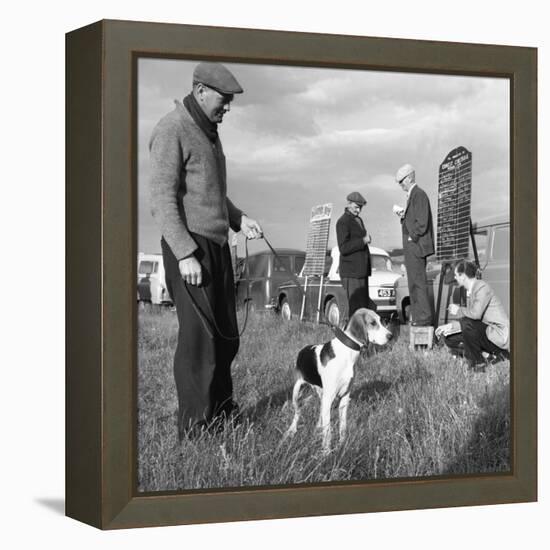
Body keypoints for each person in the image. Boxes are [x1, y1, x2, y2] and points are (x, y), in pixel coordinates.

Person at [148, 62, 263, 439]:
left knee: (227, 336)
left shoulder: (210, 132)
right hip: (190, 247)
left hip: (216, 245)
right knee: (199, 341)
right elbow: (162, 198)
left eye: (229, 101)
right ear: (200, 91)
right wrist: (183, 253)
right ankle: (195, 429)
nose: (227, 107)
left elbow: (211, 193)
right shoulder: (172, 128)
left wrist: (238, 219)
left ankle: (221, 412)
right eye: (223, 99)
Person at [436, 260, 510, 372]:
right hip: (486, 332)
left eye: (456, 275)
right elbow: (469, 318)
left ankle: (478, 364)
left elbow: (475, 315)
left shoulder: (482, 287)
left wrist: (458, 310)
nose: (455, 278)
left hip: (498, 336)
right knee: (450, 339)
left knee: (467, 325)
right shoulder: (472, 290)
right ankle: (488, 356)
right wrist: (449, 327)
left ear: (463, 276)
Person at [393, 163, 434, 326]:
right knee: (413, 285)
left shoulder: (419, 194)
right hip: (413, 248)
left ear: (409, 178)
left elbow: (422, 223)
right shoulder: (414, 195)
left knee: (418, 284)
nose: (400, 184)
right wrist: (403, 215)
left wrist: (412, 237)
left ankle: (423, 320)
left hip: (416, 248)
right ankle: (418, 319)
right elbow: (416, 220)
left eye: (401, 181)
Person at [335, 191, 376, 317]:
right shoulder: (342, 222)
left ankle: (362, 334)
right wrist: (363, 241)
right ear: (349, 204)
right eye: (356, 207)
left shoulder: (358, 220)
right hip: (351, 273)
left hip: (361, 271)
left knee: (363, 308)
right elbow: (344, 248)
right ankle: (352, 334)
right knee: (355, 309)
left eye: (360, 208)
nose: (359, 210)